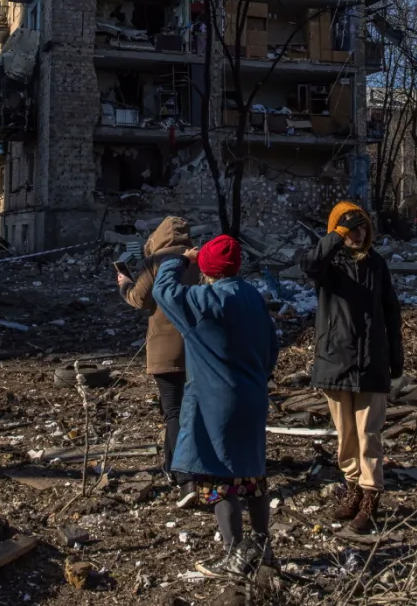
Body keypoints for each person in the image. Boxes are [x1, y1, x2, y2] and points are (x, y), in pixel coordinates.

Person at [152, 234, 280, 579]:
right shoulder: (253, 298)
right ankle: (263, 547)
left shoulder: (202, 301)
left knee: (217, 475)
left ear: (208, 268)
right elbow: (272, 348)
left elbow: (162, 291)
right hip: (253, 397)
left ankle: (234, 553)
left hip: (214, 402)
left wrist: (181, 259)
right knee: (252, 475)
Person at [301, 201, 403, 534]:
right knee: (345, 436)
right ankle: (353, 488)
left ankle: (371, 496)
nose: (358, 235)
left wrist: (396, 359)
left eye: (362, 228)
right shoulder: (330, 266)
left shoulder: (377, 265)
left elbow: (391, 312)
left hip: (372, 361)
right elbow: (310, 264)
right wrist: (337, 234)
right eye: (350, 229)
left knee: (368, 434)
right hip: (335, 360)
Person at [117, 216, 200, 495]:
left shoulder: (155, 262)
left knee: (174, 411)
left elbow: (139, 299)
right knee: (186, 410)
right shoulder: (200, 259)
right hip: (199, 348)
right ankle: (172, 465)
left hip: (164, 349)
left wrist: (124, 284)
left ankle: (184, 474)